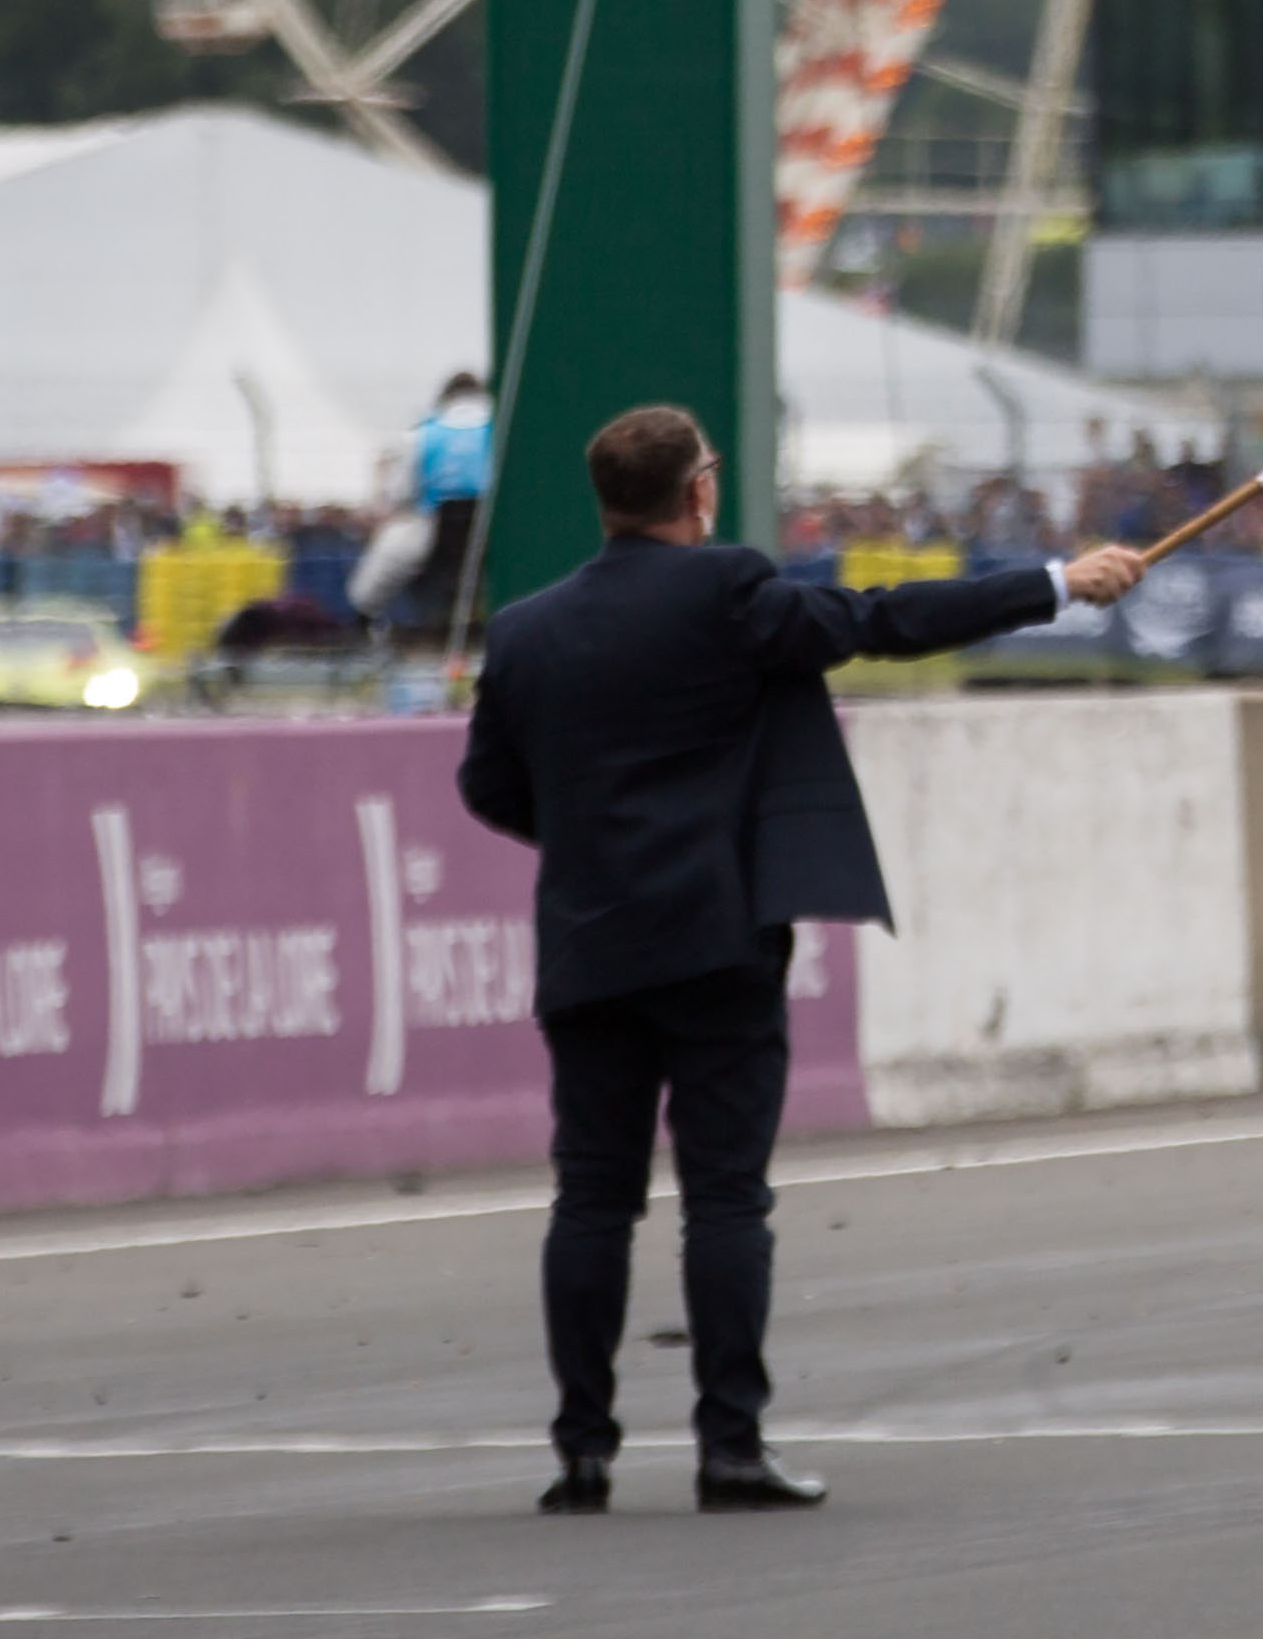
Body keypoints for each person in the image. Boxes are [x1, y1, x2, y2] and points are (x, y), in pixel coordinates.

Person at [457, 404, 1147, 1516]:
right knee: (725, 1198)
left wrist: (589, 841)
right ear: (698, 492)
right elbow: (883, 620)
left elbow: (485, 787)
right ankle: (729, 1447)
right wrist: (1054, 583)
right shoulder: (728, 592)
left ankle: (581, 1451)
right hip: (716, 938)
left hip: (588, 942)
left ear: (606, 499)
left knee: (590, 1199)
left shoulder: (529, 628)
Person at [404, 371, 498, 650]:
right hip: (491, 535)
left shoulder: (424, 432)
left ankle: (368, 623)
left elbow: (404, 490)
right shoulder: (497, 427)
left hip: (437, 533)